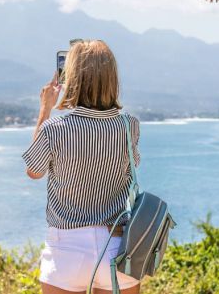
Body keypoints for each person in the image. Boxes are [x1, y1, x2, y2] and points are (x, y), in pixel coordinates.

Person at [22, 40, 141, 294]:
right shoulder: (129, 125)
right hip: (117, 245)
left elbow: (34, 170)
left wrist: (45, 110)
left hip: (67, 249)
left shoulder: (56, 129)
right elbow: (130, 171)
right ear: (111, 78)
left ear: (73, 78)